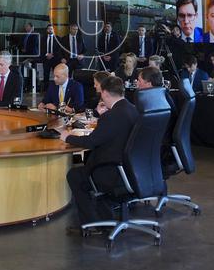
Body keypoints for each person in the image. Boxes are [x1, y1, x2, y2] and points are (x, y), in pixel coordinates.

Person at [60, 76, 138, 229]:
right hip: (132, 170)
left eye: (101, 93)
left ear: (106, 94)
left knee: (75, 175)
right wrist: (103, 116)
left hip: (113, 172)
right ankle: (103, 214)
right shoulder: (133, 109)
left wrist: (67, 137)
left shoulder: (111, 116)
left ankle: (91, 222)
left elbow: (91, 142)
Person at [20, 22, 41, 91]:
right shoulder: (25, 35)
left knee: (33, 72)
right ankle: (26, 86)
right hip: (25, 55)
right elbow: (22, 44)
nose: (26, 28)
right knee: (25, 71)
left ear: (32, 27)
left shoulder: (35, 35)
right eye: (25, 26)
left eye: (27, 26)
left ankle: (34, 87)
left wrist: (26, 50)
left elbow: (34, 46)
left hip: (32, 56)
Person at [40, 24, 58, 91]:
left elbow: (58, 49)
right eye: (49, 29)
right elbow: (41, 48)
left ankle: (56, 89)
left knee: (56, 74)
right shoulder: (43, 38)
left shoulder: (58, 38)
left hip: (55, 59)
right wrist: (46, 54)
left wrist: (52, 55)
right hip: (46, 59)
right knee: (46, 75)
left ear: (53, 30)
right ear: (47, 30)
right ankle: (46, 90)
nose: (50, 30)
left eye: (51, 29)